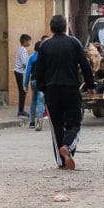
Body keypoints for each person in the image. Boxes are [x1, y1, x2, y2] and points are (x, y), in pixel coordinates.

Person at [33, 15, 95, 170]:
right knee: (74, 122)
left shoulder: (45, 46)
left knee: (56, 126)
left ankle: (61, 162)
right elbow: (85, 65)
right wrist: (90, 85)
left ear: (51, 28)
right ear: (65, 26)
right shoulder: (74, 43)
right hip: (71, 89)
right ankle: (67, 146)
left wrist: (43, 88)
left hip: (51, 91)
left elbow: (38, 71)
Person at [24, 41, 46, 131]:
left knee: (33, 100)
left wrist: (25, 84)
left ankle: (32, 122)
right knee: (40, 100)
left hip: (34, 81)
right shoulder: (45, 57)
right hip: (42, 81)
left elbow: (27, 72)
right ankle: (39, 121)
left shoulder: (31, 57)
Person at [14, 33, 32, 118]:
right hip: (21, 73)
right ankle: (20, 111)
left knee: (22, 92)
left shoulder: (21, 49)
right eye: (29, 41)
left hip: (19, 72)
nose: (29, 43)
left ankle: (21, 110)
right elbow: (25, 63)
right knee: (23, 92)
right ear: (25, 41)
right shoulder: (23, 50)